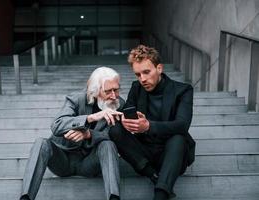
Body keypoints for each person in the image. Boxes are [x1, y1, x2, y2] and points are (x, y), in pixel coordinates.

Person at [20, 67, 125, 200]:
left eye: (116, 89)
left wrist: (88, 134)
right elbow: (57, 124)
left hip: (90, 162)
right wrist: (89, 118)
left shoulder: (118, 104)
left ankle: (114, 197)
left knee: (108, 145)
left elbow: (116, 135)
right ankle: (25, 197)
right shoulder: (76, 99)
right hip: (63, 159)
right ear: (96, 91)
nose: (114, 95)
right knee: (41, 143)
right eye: (108, 91)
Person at [109, 45, 196, 200]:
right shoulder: (136, 88)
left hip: (172, 154)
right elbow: (127, 113)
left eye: (146, 72)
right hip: (145, 156)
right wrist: (127, 121)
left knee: (178, 137)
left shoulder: (183, 90)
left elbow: (182, 125)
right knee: (115, 130)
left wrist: (148, 126)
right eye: (138, 74)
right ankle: (154, 175)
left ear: (159, 68)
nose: (142, 79)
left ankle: (161, 194)